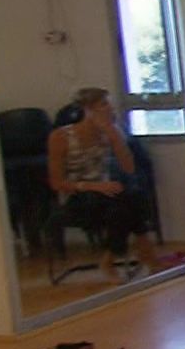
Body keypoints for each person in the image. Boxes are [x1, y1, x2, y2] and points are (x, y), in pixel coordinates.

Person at [46, 87, 164, 279]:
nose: (110, 108)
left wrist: (113, 135)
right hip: (79, 195)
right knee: (127, 203)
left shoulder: (112, 132)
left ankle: (112, 259)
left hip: (108, 193)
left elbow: (129, 168)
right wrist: (94, 186)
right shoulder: (61, 137)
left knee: (129, 198)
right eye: (104, 104)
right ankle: (146, 255)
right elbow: (56, 182)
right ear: (88, 109)